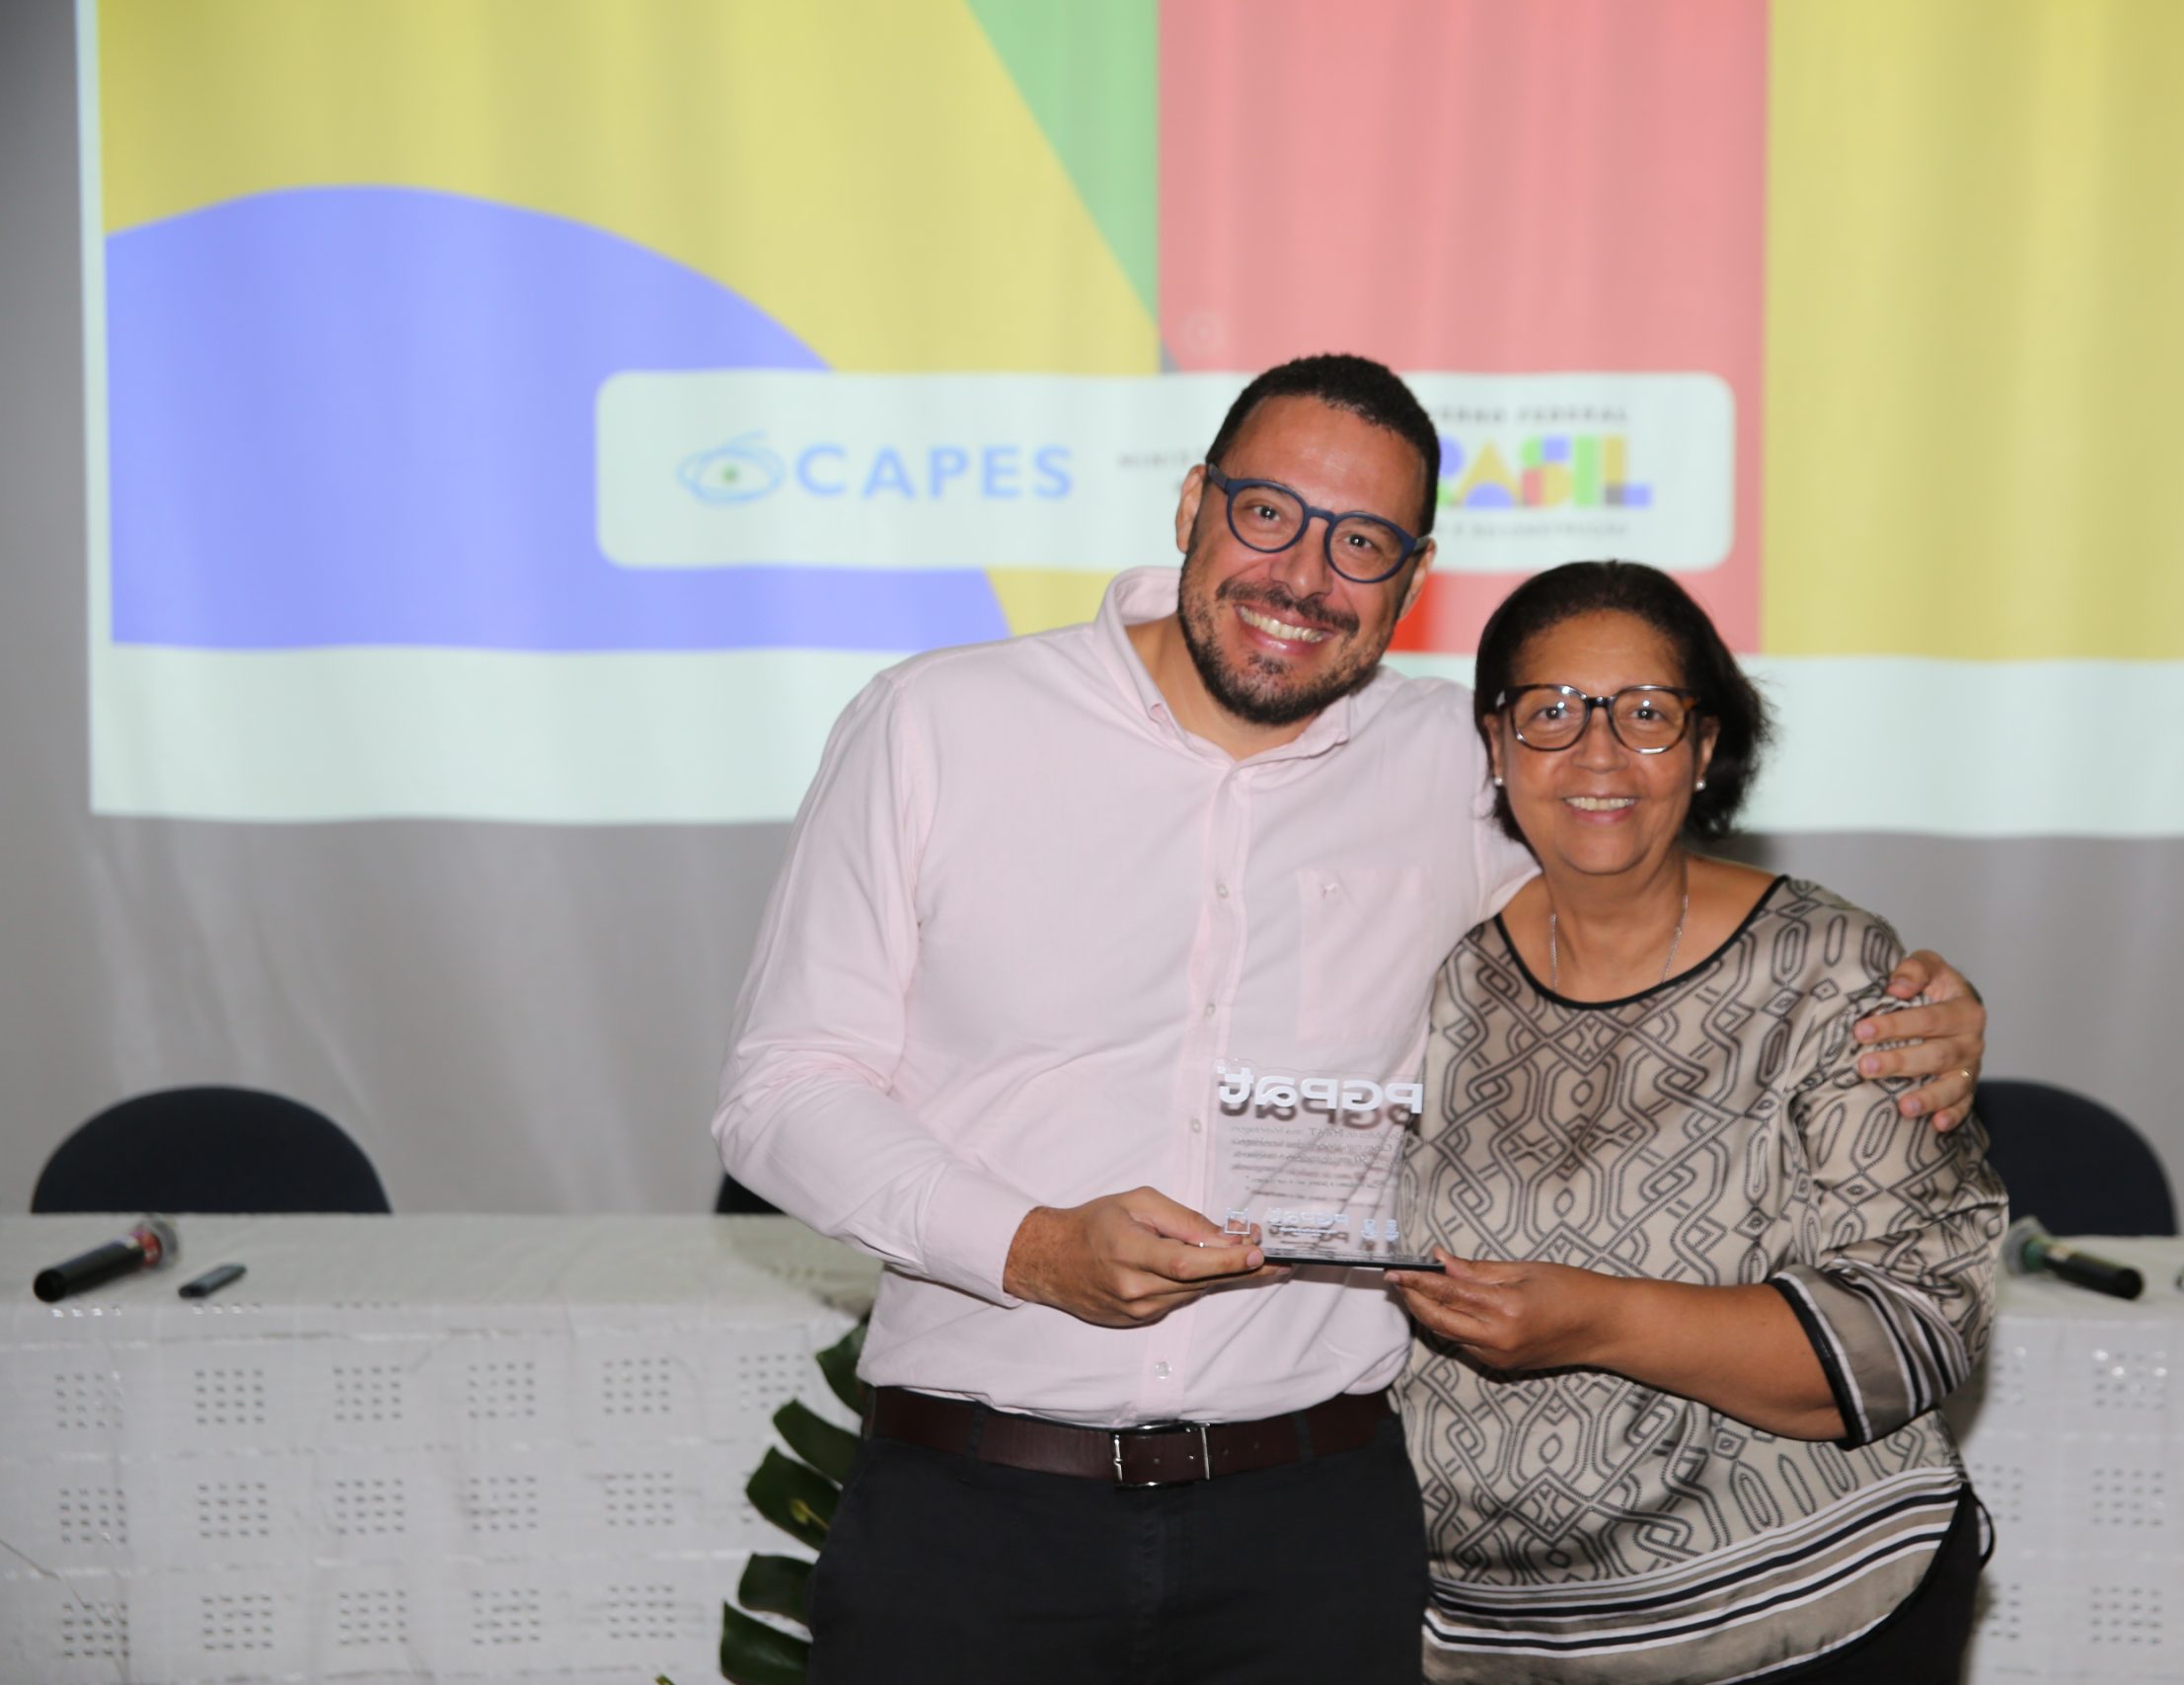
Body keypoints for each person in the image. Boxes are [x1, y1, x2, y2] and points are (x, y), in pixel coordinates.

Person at [710, 355, 1989, 1684]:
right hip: (973, 1513)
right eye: (1268, 513)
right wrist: (1030, 1248)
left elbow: (1648, 902)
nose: (1304, 575)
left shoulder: (1457, 763)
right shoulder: (938, 725)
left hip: (1311, 1529)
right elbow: (784, 1089)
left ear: (1413, 574)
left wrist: (1898, 991)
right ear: (1193, 502)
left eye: (1362, 542)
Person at [1388, 562, 2006, 1684]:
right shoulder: (1421, 970)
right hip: (1484, 1641)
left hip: (1799, 1619)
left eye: (1646, 713)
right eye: (1551, 712)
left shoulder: (1830, 969)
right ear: (1495, 744)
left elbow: (1915, 1325)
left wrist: (1599, 1320)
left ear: (1704, 745)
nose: (1598, 753)